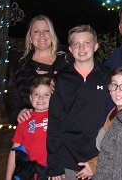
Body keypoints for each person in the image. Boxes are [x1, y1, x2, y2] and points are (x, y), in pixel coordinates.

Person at [47, 25, 110, 180]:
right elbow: (54, 122)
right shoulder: (61, 79)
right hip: (68, 157)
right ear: (70, 48)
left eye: (87, 43)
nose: (81, 47)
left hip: (100, 155)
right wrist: (54, 164)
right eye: (76, 44)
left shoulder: (108, 77)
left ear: (96, 46)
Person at [4, 15, 72, 124]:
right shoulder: (20, 66)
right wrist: (19, 112)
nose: (42, 35)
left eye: (46, 30)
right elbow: (12, 97)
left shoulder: (67, 61)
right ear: (30, 38)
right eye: (36, 31)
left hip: (64, 127)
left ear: (52, 35)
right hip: (32, 127)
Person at [83, 66, 122, 178]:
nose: (117, 90)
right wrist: (93, 165)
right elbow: (109, 150)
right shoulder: (113, 113)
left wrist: (95, 166)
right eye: (114, 85)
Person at [5, 77, 52, 180]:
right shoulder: (24, 119)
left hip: (52, 173)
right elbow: (14, 151)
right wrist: (8, 177)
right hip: (29, 174)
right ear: (30, 98)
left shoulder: (57, 117)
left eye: (46, 94)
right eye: (36, 94)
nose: (40, 98)